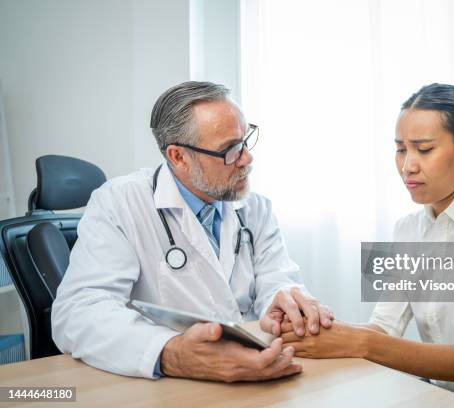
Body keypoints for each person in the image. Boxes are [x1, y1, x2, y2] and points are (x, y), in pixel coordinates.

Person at [281, 84, 454, 407]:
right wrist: (317, 330)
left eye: (424, 149)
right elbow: (384, 327)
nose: (407, 166)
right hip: (441, 399)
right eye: (401, 149)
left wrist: (359, 342)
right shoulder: (407, 230)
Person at [52, 81, 333, 382]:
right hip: (170, 388)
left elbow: (276, 278)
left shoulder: (255, 209)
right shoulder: (120, 203)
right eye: (230, 149)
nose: (247, 158)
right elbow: (78, 312)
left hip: (256, 370)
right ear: (178, 157)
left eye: (245, 140)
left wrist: (283, 301)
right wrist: (170, 354)